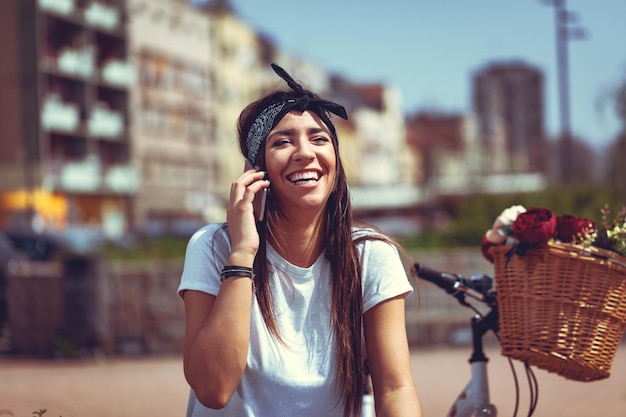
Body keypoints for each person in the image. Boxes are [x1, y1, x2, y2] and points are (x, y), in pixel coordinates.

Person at [177, 63, 423, 417]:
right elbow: (213, 389)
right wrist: (243, 253)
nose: (305, 152)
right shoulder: (214, 247)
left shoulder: (370, 254)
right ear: (255, 170)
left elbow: (395, 388)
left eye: (319, 138)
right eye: (282, 141)